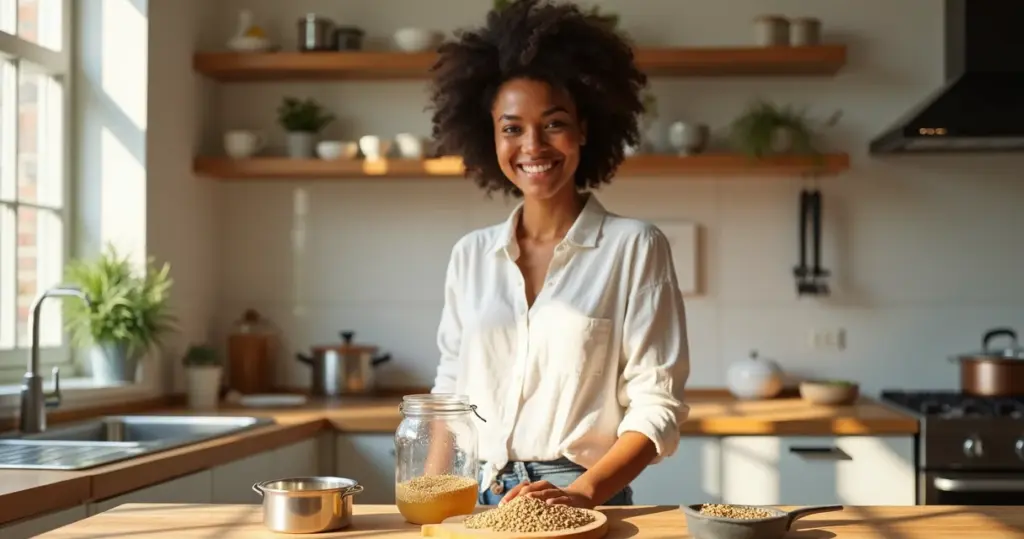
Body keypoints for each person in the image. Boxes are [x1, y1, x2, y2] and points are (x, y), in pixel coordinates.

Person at [426, 0, 690, 509]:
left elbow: (658, 404)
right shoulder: (470, 255)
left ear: (585, 130)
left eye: (553, 123)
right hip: (477, 499)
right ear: (491, 137)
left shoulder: (635, 247)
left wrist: (582, 493)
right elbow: (449, 394)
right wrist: (432, 508)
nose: (533, 145)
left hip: (580, 491)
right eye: (512, 127)